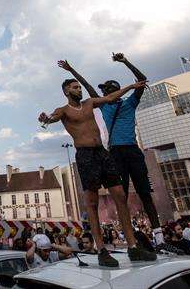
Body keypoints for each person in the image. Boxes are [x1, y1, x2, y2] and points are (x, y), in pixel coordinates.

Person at [38, 76, 155, 267]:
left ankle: (133, 247)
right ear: (67, 91)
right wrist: (45, 119)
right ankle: (101, 249)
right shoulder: (64, 111)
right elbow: (51, 118)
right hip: (85, 156)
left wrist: (132, 86)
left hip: (101, 152)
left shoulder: (89, 103)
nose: (79, 90)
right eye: (75, 87)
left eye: (79, 87)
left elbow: (110, 98)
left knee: (119, 194)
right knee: (92, 202)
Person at [59, 55, 164, 246]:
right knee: (120, 194)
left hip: (132, 150)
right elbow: (86, 85)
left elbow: (141, 80)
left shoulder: (129, 103)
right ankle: (132, 239)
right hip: (115, 152)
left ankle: (159, 237)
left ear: (114, 90)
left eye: (107, 89)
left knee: (144, 192)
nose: (103, 91)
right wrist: (71, 70)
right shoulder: (104, 104)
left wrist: (125, 62)